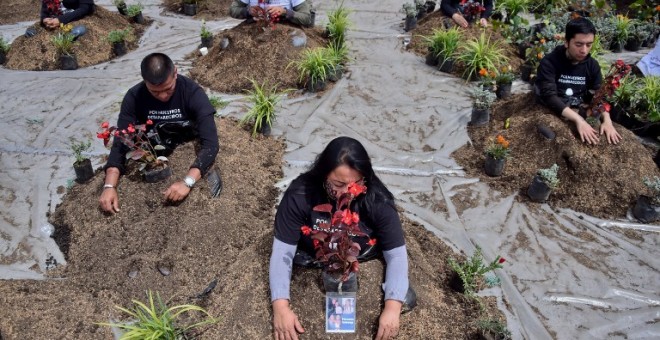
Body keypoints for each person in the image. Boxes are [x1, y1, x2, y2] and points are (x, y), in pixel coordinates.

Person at [269, 136, 415, 340]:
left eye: (356, 184)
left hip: (360, 260)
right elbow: (283, 251)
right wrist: (280, 306)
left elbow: (396, 255)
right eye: (338, 184)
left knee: (404, 295)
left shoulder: (377, 200)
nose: (347, 192)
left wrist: (392, 307)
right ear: (323, 174)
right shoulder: (300, 194)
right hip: (315, 260)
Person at [99, 53, 219, 214]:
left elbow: (210, 144)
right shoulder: (134, 97)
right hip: (153, 151)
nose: (163, 96)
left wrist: (187, 182)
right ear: (144, 81)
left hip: (187, 147)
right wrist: (109, 186)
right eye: (155, 92)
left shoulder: (192, 93)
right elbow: (121, 142)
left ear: (175, 73)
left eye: (168, 89)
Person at [535, 17, 621, 145]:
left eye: (589, 45)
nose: (584, 50)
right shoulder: (550, 62)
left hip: (578, 106)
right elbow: (549, 96)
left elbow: (599, 94)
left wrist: (607, 121)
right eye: (579, 44)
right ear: (567, 42)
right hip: (552, 108)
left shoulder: (592, 66)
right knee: (551, 137)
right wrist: (579, 120)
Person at [229, 0, 313, 27]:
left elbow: (306, 18)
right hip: (254, 29)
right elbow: (233, 10)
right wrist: (248, 11)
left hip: (285, 28)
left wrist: (284, 12)